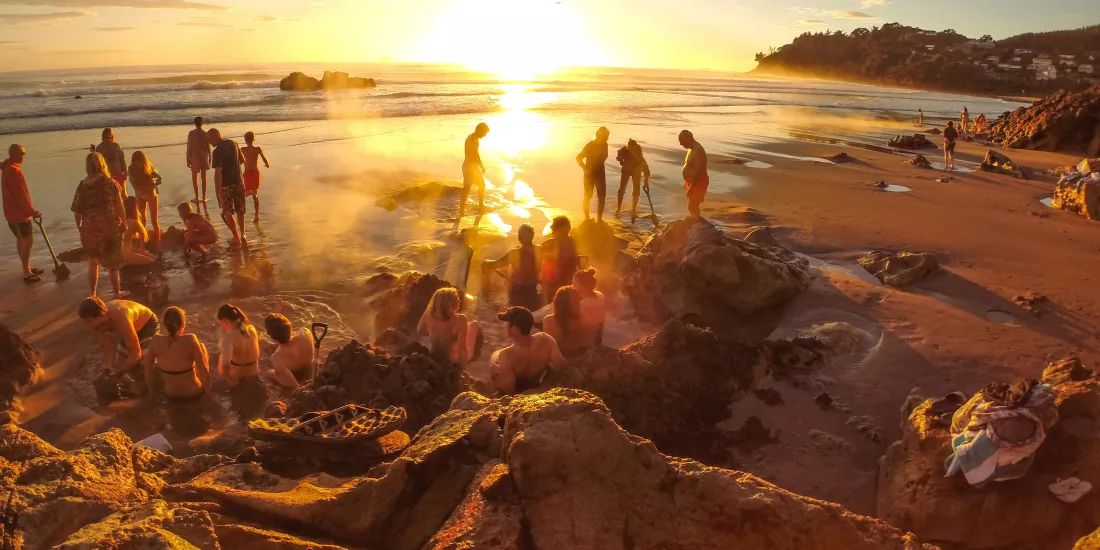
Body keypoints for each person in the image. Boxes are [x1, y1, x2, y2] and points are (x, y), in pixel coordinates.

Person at [73, 151, 126, 298]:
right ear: (102, 164)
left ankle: (93, 294)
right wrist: (125, 222)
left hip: (90, 228)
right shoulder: (109, 183)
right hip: (109, 226)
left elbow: (77, 210)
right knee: (113, 263)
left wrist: (80, 227)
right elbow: (119, 205)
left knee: (93, 261)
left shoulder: (82, 185)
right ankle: (117, 293)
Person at [489, 307, 566, 396]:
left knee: (494, 358)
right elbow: (561, 365)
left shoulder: (506, 355)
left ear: (514, 328)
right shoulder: (546, 339)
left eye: (507, 322)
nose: (505, 325)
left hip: (520, 390)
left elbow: (509, 389)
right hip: (536, 384)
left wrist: (495, 375)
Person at [143, 306, 210, 401]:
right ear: (183, 324)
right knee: (202, 347)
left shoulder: (156, 340)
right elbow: (204, 370)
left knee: (159, 363)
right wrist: (209, 394)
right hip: (193, 393)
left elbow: (148, 372)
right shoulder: (191, 338)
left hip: (171, 395)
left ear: (164, 324)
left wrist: (152, 393)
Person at [79, 296, 158, 375]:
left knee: (146, 365)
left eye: (89, 321)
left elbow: (136, 354)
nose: (87, 325)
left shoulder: (120, 317)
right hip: (128, 329)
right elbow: (106, 348)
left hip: (147, 325)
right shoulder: (98, 323)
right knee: (119, 364)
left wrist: (118, 374)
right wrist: (107, 369)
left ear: (102, 314)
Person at [2, 144, 43, 284]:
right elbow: (21, 195)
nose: (23, 156)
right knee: (28, 239)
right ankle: (26, 272)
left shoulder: (8, 166)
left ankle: (27, 267)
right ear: (13, 154)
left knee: (21, 239)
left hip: (12, 212)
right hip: (18, 213)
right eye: (21, 153)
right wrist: (32, 211)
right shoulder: (13, 171)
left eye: (24, 153)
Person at [216, 304, 265, 419]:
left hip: (239, 382)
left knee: (240, 417)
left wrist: (226, 380)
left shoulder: (228, 339)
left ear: (225, 321)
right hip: (255, 377)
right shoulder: (251, 329)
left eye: (221, 323)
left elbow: (226, 365)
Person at [481, 223, 541, 311]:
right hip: (532, 291)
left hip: (517, 293)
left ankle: (484, 298)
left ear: (519, 237)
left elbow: (496, 264)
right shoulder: (539, 249)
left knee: (487, 266)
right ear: (532, 236)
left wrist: (486, 262)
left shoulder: (514, 253)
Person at [208, 128, 247, 245]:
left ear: (218, 136)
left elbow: (218, 173)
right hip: (239, 182)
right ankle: (243, 234)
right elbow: (242, 160)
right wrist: (233, 168)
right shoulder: (233, 143)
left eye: (210, 139)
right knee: (240, 210)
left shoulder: (217, 151)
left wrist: (217, 192)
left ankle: (235, 236)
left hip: (226, 185)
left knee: (227, 212)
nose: (209, 142)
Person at [417, 287, 475, 366]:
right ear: (450, 303)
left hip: (434, 355)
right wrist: (461, 369)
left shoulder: (428, 313)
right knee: (474, 325)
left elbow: (420, 330)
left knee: (467, 327)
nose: (460, 301)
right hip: (451, 360)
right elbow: (462, 349)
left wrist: (435, 336)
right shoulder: (460, 319)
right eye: (457, 299)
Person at [263, 311, 315, 388]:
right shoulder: (305, 332)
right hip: (310, 367)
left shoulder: (276, 358)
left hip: (297, 375)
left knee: (268, 373)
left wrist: (272, 374)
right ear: (289, 325)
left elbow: (294, 385)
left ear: (272, 337)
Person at [539, 215, 580, 305]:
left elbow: (536, 250)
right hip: (571, 276)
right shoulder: (571, 240)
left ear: (559, 228)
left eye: (553, 226)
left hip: (559, 279)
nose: (551, 227)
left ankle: (545, 293)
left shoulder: (554, 241)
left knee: (545, 260)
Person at [543, 286, 591, 357]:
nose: (579, 304)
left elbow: (551, 348)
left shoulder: (549, 320)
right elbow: (590, 343)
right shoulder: (583, 317)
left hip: (563, 358)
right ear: (566, 305)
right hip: (581, 356)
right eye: (576, 301)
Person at [127, 151, 162, 249]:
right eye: (135, 161)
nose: (137, 163)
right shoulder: (131, 169)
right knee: (142, 220)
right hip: (140, 196)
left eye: (140, 161)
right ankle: (142, 244)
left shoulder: (148, 167)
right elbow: (135, 186)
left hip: (152, 195)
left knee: (154, 220)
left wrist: (156, 182)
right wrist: (149, 186)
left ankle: (158, 243)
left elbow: (158, 177)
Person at [576, 126, 610, 223]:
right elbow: (578, 157)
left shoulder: (605, 145)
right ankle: (587, 217)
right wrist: (585, 168)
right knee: (588, 196)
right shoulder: (590, 145)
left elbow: (603, 158)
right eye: (607, 136)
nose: (608, 138)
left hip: (600, 174)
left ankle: (599, 219)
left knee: (602, 196)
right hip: (589, 175)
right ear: (600, 136)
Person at [460, 122, 490, 220]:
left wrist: (480, 166)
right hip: (470, 167)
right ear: (479, 130)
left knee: (468, 189)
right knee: (476, 186)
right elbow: (472, 155)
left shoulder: (475, 138)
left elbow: (476, 153)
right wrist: (479, 166)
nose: (485, 135)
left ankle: (463, 210)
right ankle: (479, 207)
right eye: (484, 133)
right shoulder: (472, 139)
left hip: (470, 167)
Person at [615, 139, 650, 220]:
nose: (632, 151)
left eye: (633, 149)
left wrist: (646, 178)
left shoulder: (639, 152)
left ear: (636, 147)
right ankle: (618, 209)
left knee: (636, 191)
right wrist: (619, 158)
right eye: (630, 149)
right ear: (628, 147)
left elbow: (644, 165)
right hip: (626, 169)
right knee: (621, 190)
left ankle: (633, 210)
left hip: (636, 171)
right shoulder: (624, 149)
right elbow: (618, 154)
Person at [679, 130, 709, 219]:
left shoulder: (697, 150)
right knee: (692, 205)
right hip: (693, 182)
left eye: (682, 141)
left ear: (688, 139)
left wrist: (692, 186)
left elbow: (699, 170)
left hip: (698, 182)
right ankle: (695, 222)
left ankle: (696, 224)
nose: (681, 144)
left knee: (692, 205)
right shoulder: (691, 148)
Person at [572, 267, 606, 346]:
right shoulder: (600, 295)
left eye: (575, 285)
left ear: (585, 286)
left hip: (586, 342)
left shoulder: (582, 304)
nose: (573, 287)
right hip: (599, 337)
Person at [240, 131, 269, 223]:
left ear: (245, 139)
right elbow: (264, 159)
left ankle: (242, 213)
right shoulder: (257, 149)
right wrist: (266, 164)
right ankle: (257, 216)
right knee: (255, 194)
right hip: (255, 172)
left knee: (244, 193)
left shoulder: (243, 149)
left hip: (247, 172)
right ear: (254, 139)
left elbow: (239, 161)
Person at [122, 197, 156, 267]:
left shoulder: (122, 222)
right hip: (126, 255)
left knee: (152, 257)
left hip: (119, 253)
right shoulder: (135, 223)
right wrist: (142, 249)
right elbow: (144, 237)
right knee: (153, 261)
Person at [186, 117, 211, 204]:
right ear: (202, 123)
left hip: (194, 157)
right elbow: (208, 147)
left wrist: (188, 159)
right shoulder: (205, 133)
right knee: (203, 177)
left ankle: (197, 197)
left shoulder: (191, 133)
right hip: (204, 156)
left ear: (194, 123)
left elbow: (189, 147)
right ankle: (204, 197)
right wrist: (210, 157)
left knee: (195, 177)